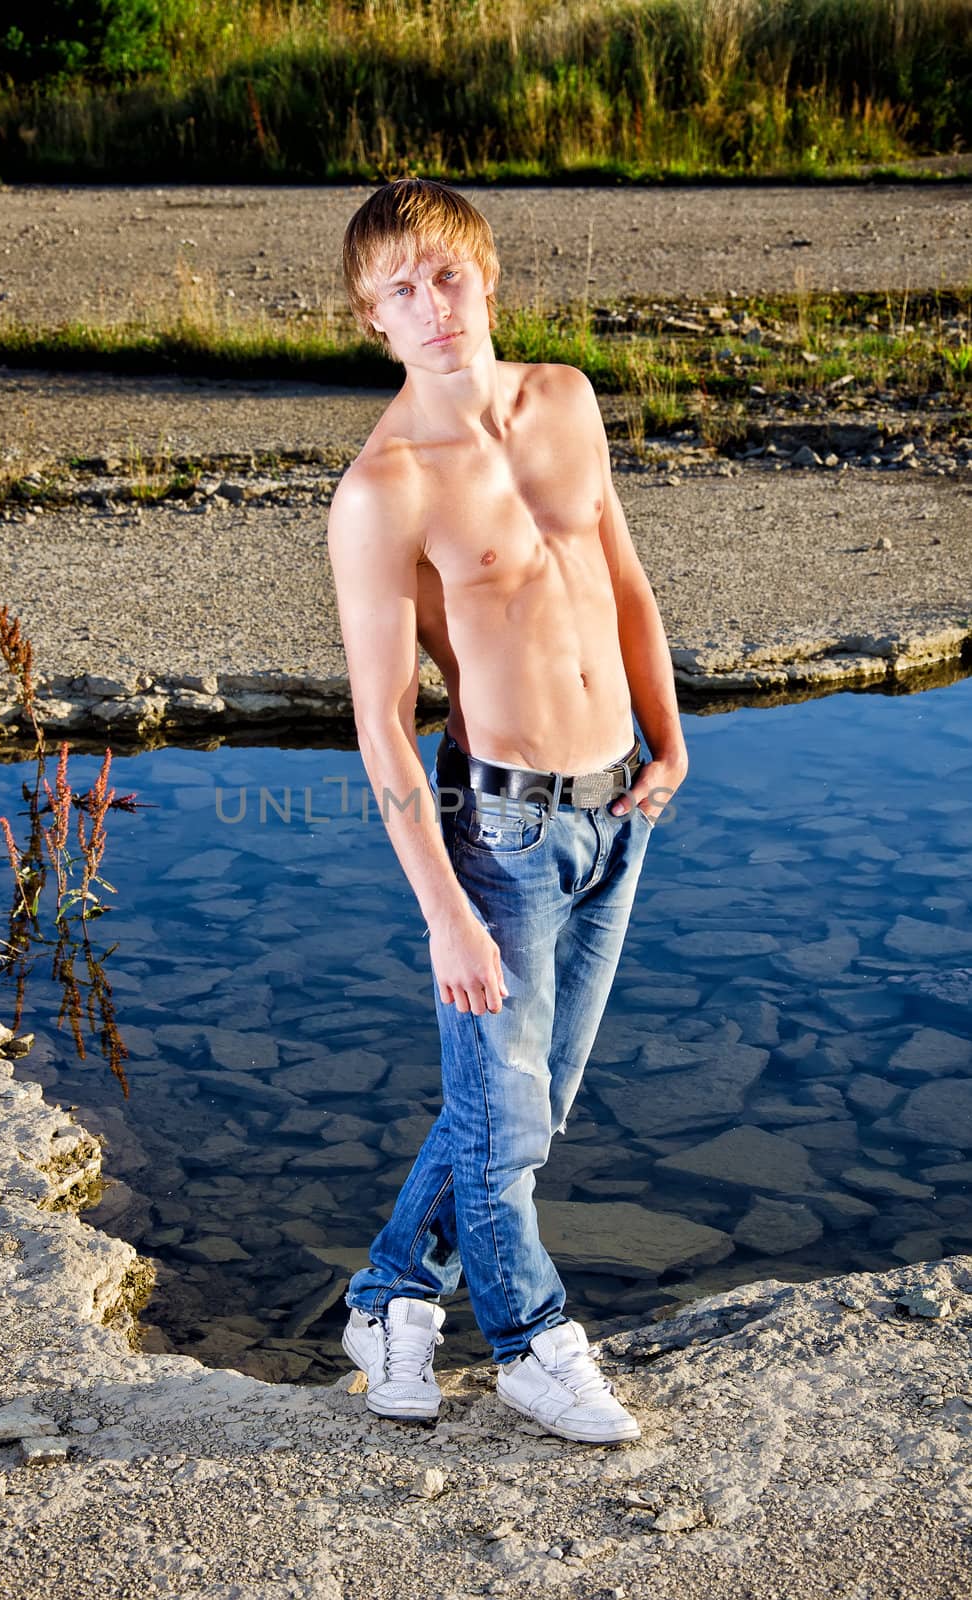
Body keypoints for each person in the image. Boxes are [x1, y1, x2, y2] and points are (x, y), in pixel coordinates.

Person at [326, 178, 688, 1444]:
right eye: (401, 291)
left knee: (526, 1106)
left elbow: (622, 574)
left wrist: (671, 732)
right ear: (373, 319)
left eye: (448, 276)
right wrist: (443, 914)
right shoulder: (384, 490)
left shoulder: (565, 401)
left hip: (613, 810)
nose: (433, 307)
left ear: (487, 275)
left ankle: (386, 1293)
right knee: (503, 1117)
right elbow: (381, 723)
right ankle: (534, 1338)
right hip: (503, 832)